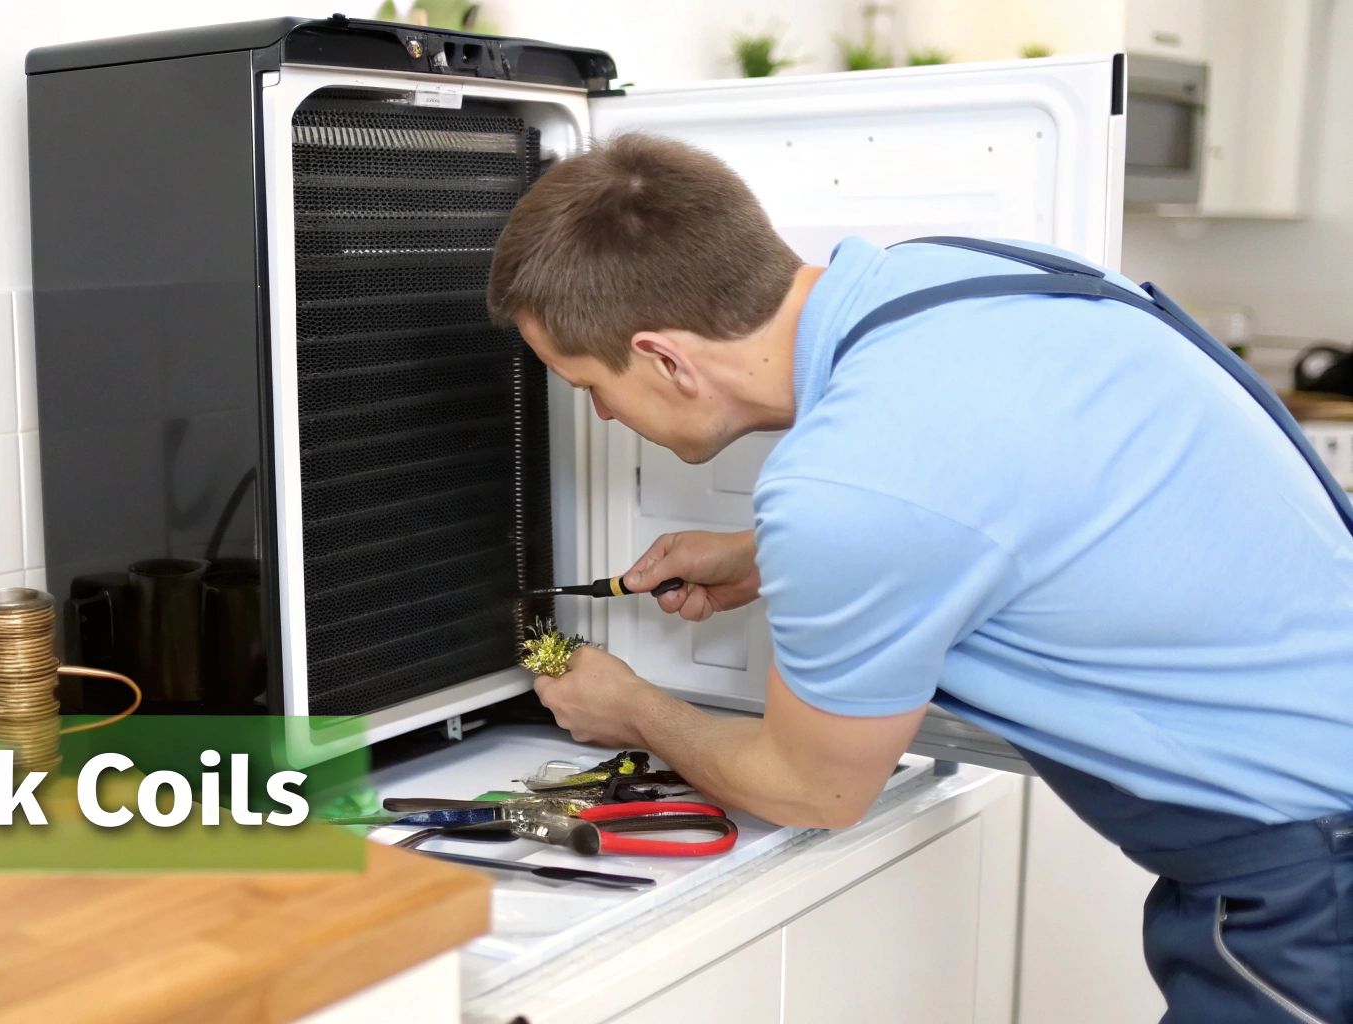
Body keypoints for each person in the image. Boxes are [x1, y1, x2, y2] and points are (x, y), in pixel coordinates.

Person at [486, 134, 1353, 1023]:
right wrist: (763, 553)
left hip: (1319, 880)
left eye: (587, 383)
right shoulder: (953, 276)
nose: (599, 413)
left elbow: (812, 790)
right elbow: (1019, 484)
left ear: (665, 358)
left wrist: (630, 708)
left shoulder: (846, 492)